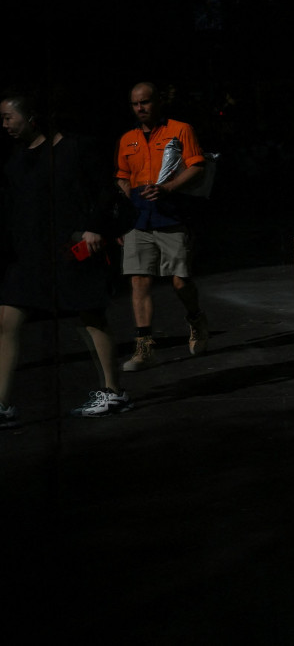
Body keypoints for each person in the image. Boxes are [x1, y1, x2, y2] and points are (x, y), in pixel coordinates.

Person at [0, 94, 127, 425]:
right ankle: (1, 405)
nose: (4, 125)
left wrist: (95, 228)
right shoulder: (17, 158)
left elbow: (106, 190)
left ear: (31, 118)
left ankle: (113, 393)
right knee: (7, 320)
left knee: (90, 318)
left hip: (71, 248)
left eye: (8, 117)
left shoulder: (74, 148)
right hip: (29, 254)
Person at [116, 82, 209, 372]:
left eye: (145, 102)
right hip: (138, 215)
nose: (140, 108)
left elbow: (197, 166)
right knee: (139, 280)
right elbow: (122, 176)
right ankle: (144, 347)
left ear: (157, 102)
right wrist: (121, 216)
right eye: (135, 104)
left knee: (180, 279)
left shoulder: (180, 130)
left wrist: (168, 188)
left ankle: (195, 319)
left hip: (171, 212)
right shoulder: (127, 138)